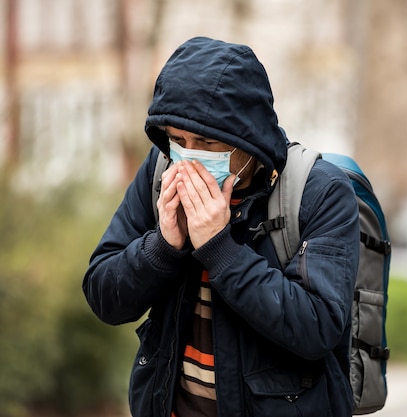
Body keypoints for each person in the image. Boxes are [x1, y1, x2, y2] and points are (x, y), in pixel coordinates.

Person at [83, 36, 360, 417]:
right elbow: (103, 295)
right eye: (178, 139)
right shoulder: (161, 169)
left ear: (248, 139)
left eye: (207, 141)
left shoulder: (320, 192)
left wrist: (219, 248)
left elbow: (317, 327)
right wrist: (163, 246)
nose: (189, 154)